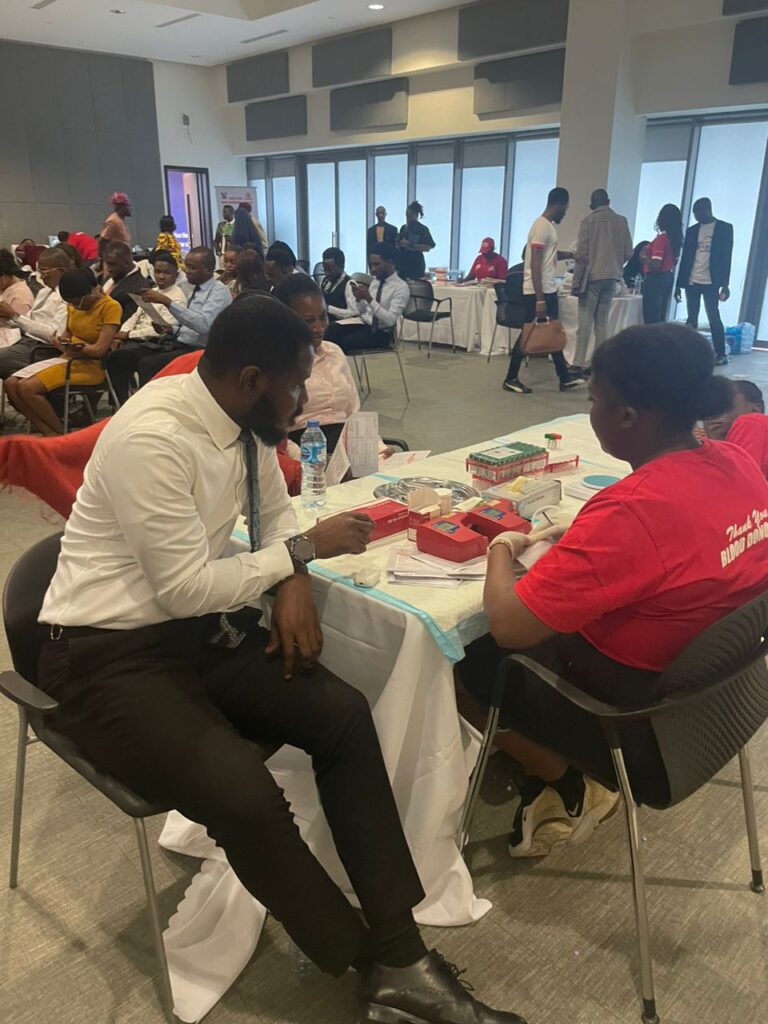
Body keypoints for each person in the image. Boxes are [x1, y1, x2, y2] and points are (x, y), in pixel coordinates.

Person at [35, 294, 526, 1024]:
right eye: (296, 385)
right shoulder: (154, 438)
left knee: (342, 714)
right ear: (252, 379)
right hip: (102, 653)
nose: (304, 400)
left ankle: (400, 950)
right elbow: (185, 587)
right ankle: (371, 963)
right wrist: (301, 554)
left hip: (191, 633)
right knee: (247, 796)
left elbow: (276, 516)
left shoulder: (243, 420)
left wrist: (294, 578)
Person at [459, 323, 768, 858]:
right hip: (720, 699)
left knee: (463, 656)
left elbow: (509, 625)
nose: (590, 410)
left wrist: (501, 548)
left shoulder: (633, 510)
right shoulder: (735, 460)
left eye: (593, 399)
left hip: (630, 718)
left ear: (626, 416)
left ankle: (566, 781)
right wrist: (591, 535)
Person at [274, 274, 386, 456]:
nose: (319, 328)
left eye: (323, 317)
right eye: (308, 321)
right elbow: (277, 438)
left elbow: (353, 413)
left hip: (347, 448)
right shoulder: (275, 363)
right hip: (304, 453)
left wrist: (378, 448)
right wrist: (309, 461)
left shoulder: (334, 352)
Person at [4, 269, 121, 436]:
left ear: (91, 292)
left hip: (91, 365)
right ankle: (49, 431)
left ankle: (59, 434)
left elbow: (99, 350)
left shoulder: (111, 307)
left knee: (27, 388)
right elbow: (67, 336)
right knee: (11, 383)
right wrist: (61, 342)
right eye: (70, 303)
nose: (75, 307)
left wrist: (79, 348)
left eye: (77, 302)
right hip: (68, 358)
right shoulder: (73, 307)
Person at [502, 187, 583, 395]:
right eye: (566, 208)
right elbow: (535, 263)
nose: (565, 212)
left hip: (547, 288)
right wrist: (539, 298)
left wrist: (571, 255)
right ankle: (511, 378)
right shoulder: (541, 227)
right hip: (537, 291)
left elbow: (549, 256)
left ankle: (564, 377)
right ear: (559, 204)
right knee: (529, 332)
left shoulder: (548, 227)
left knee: (552, 330)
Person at [105, 252, 188, 403]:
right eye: (158, 272)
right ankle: (120, 402)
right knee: (112, 357)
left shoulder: (177, 297)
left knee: (122, 358)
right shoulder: (152, 291)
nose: (161, 276)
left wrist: (128, 335)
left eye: (166, 273)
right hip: (136, 338)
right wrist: (122, 332)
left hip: (156, 341)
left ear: (175, 274)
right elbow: (135, 315)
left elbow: (163, 329)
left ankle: (138, 403)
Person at [136, 246, 232, 376]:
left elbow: (203, 325)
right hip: (181, 342)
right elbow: (189, 328)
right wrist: (172, 329)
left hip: (201, 351)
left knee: (148, 364)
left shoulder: (219, 291)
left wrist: (167, 302)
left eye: (192, 268)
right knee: (129, 355)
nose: (187, 271)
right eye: (186, 266)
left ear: (209, 270)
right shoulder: (193, 288)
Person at [571, 189, 634, 374]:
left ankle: (578, 363)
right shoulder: (622, 221)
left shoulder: (588, 221)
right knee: (602, 324)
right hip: (612, 277)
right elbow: (629, 252)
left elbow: (582, 255)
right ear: (609, 201)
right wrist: (615, 264)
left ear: (592, 204)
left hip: (591, 277)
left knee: (585, 324)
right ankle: (599, 364)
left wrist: (576, 282)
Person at [675, 197, 734, 367]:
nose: (696, 216)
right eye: (695, 214)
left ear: (708, 209)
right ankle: (687, 353)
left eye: (698, 213)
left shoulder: (724, 228)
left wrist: (725, 285)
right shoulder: (692, 230)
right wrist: (678, 285)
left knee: (714, 318)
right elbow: (685, 259)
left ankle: (720, 354)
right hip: (692, 280)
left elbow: (727, 258)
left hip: (711, 282)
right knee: (691, 319)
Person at [0, 247, 72, 379]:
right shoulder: (44, 292)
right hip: (25, 341)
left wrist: (14, 316)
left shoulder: (67, 297)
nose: (41, 276)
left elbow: (54, 334)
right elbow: (26, 321)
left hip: (44, 348)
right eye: (39, 271)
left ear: (62, 271)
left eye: (45, 271)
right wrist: (7, 316)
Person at [325, 243, 410, 354]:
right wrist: (359, 299)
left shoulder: (401, 287)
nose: (373, 269)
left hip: (381, 332)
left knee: (344, 343)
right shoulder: (376, 282)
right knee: (330, 331)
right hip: (363, 323)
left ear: (390, 262)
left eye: (377, 264)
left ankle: (338, 363)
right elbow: (362, 310)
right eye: (371, 265)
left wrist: (369, 299)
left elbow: (390, 321)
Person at [703, 379, 768, 477]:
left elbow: (740, 480)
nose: (714, 415)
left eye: (725, 406)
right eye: (709, 409)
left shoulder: (753, 421)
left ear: (755, 410)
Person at [641, 203, 683, 325]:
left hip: (655, 279)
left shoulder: (662, 239)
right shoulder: (674, 239)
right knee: (661, 317)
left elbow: (656, 264)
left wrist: (644, 257)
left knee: (651, 320)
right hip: (667, 277)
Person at [101, 242, 153, 324]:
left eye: (112, 264)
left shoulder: (139, 288)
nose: (108, 268)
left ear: (126, 262)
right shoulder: (110, 276)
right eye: (107, 263)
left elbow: (125, 321)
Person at [0, 248, 35, 348]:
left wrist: (10, 314)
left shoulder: (20, 295)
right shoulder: (4, 288)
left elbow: (24, 330)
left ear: (3, 275)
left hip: (11, 342)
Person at [395, 202, 435, 280]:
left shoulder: (422, 229)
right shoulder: (403, 228)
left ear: (416, 216)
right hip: (402, 264)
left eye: (410, 216)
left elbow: (428, 247)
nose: (408, 219)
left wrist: (411, 245)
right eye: (407, 216)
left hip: (415, 264)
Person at [320, 246, 350, 318]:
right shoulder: (325, 282)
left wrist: (328, 308)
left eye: (330, 270)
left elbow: (353, 313)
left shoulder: (349, 284)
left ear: (341, 266)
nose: (327, 273)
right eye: (325, 269)